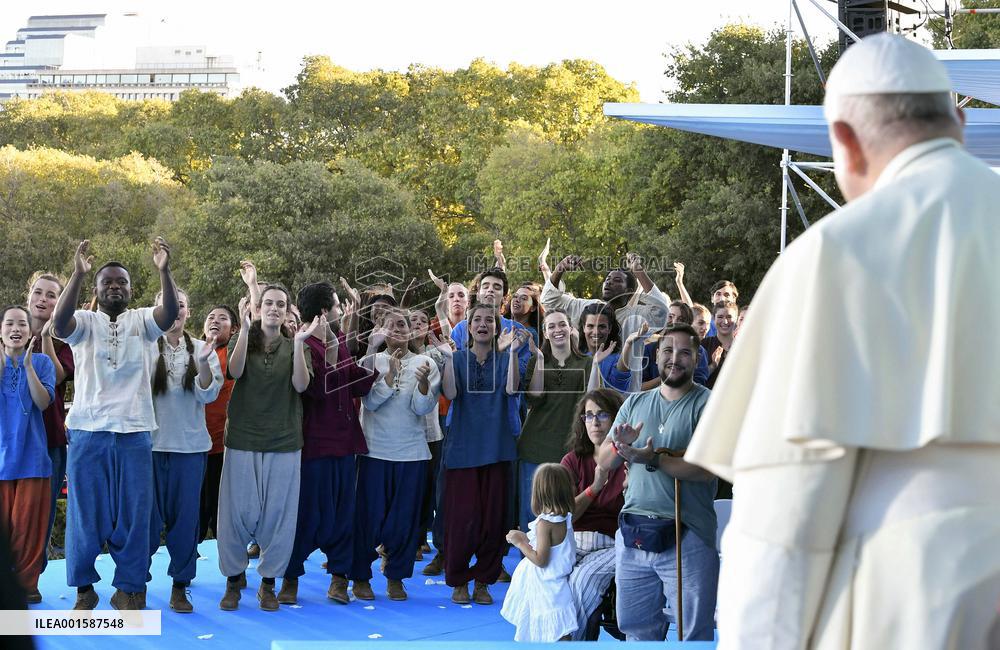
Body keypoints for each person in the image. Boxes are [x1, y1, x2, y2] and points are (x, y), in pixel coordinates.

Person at [686, 34, 1000, 650]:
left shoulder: (833, 255)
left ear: (847, 144)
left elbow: (783, 520)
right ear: (959, 123)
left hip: (922, 603)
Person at [52, 238, 180, 611]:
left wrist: (164, 270)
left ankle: (130, 587)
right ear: (95, 290)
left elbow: (169, 315)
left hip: (135, 431)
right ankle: (83, 588)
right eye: (106, 282)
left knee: (135, 514)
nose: (114, 286)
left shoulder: (142, 319)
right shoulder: (85, 323)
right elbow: (59, 324)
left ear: (130, 289)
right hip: (88, 432)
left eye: (121, 282)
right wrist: (77, 273)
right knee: (85, 515)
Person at [597, 324, 719, 641]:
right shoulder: (635, 403)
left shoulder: (709, 405)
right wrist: (619, 447)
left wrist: (652, 459)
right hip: (634, 534)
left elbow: (706, 468)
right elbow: (604, 462)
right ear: (657, 355)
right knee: (636, 630)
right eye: (667, 350)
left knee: (691, 634)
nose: (674, 358)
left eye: (684, 352)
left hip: (687, 535)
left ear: (696, 359)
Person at [217, 284, 316, 612]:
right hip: (243, 438)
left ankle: (268, 584)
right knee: (236, 514)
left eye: (280, 304)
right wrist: (244, 329)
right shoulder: (240, 338)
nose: (273, 308)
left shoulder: (297, 346)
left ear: (288, 312)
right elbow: (234, 371)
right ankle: (233, 580)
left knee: (278, 516)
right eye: (267, 303)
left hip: (284, 442)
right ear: (257, 309)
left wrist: (300, 343)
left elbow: (301, 385)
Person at [279, 282, 378, 605]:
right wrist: (336, 360)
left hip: (345, 442)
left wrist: (374, 359)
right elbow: (314, 391)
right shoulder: (304, 344)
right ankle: (290, 577)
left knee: (342, 514)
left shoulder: (337, 341)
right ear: (324, 311)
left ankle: (339, 578)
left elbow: (353, 385)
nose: (339, 312)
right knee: (308, 514)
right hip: (315, 445)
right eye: (336, 307)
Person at [349, 308, 439, 602]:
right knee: (368, 518)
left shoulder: (425, 362)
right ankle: (360, 576)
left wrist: (424, 384)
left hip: (412, 455)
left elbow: (422, 409)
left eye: (403, 324)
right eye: (390, 325)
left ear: (413, 331)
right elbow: (371, 404)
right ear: (380, 330)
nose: (398, 329)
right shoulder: (370, 360)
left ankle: (396, 577)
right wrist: (388, 375)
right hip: (375, 452)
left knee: (403, 522)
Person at [440, 303, 527, 605]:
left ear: (496, 327)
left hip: (498, 449)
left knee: (493, 522)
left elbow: (513, 389)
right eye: (476, 319)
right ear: (468, 326)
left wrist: (513, 352)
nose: (482, 324)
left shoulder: (506, 359)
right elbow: (450, 394)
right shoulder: (457, 357)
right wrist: (450, 357)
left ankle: (483, 581)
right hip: (463, 450)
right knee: (462, 519)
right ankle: (459, 580)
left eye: (489, 320)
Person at [146, 289, 223, 613]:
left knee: (185, 523)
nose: (174, 311)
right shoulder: (145, 346)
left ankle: (180, 585)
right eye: (167, 305)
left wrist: (204, 364)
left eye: (180, 305)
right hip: (149, 448)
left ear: (188, 312)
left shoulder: (202, 348)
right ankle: (134, 583)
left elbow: (208, 394)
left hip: (190, 449)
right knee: (146, 522)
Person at [516, 309, 601, 532]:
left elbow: (590, 401)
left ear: (571, 328)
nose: (557, 330)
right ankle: (532, 564)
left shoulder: (586, 362)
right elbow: (534, 398)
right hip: (535, 448)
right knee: (531, 515)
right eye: (551, 326)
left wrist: (597, 364)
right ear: (544, 332)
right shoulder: (537, 360)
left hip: (570, 449)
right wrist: (542, 360)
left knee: (566, 516)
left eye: (562, 324)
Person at [561, 389, 627, 640]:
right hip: (574, 540)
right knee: (536, 575)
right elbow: (566, 516)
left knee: (580, 582)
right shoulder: (572, 460)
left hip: (612, 545)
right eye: (588, 416)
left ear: (616, 419)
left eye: (602, 414)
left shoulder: (629, 460)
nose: (595, 422)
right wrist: (594, 487)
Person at [0, 305, 55, 603]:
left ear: (30, 330)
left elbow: (43, 403)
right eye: (9, 324)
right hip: (1, 460)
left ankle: (26, 585)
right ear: (1, 331)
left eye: (22, 323)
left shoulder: (43, 362)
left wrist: (29, 366)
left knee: (27, 529)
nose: (16, 329)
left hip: (32, 460)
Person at [25, 272, 74, 577]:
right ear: (28, 296)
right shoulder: (8, 334)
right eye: (38, 293)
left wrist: (44, 338)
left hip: (49, 439)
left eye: (51, 295)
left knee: (42, 513)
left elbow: (56, 379)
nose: (43, 299)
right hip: (12, 440)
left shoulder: (65, 342)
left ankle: (32, 576)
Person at [501, 463, 579, 642]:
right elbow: (551, 547)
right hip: (555, 587)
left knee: (547, 633)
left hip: (545, 588)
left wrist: (520, 543)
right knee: (558, 632)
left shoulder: (545, 524)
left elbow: (541, 559)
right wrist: (527, 538)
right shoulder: (564, 518)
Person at [542, 252, 670, 345]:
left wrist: (638, 271)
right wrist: (560, 268)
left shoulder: (635, 316)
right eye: (607, 279)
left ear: (629, 291)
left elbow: (661, 313)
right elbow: (549, 300)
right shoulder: (589, 307)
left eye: (617, 280)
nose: (608, 283)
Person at [199, 305, 239, 544]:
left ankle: (234, 571)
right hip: (195, 446)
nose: (215, 320)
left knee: (223, 514)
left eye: (222, 318)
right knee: (195, 513)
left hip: (225, 448)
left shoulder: (234, 355)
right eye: (210, 316)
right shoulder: (193, 350)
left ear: (234, 329)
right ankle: (184, 572)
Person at [702, 301, 738, 388]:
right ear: (714, 319)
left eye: (729, 317)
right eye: (720, 317)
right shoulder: (704, 345)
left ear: (736, 318)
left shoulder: (743, 347)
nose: (725, 321)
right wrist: (712, 366)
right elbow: (697, 379)